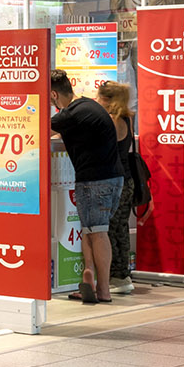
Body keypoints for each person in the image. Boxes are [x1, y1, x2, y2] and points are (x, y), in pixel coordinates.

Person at [49, 69, 123, 303]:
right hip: (109, 177)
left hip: (95, 180)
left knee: (98, 232)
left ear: (52, 94)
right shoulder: (87, 106)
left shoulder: (70, 114)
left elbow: (32, 131)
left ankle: (104, 290)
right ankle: (89, 280)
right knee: (90, 231)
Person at [96, 81, 140, 297]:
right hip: (128, 179)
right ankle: (123, 274)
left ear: (106, 100)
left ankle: (118, 276)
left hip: (115, 180)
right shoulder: (127, 118)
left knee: (112, 229)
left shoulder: (111, 121)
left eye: (99, 98)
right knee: (120, 227)